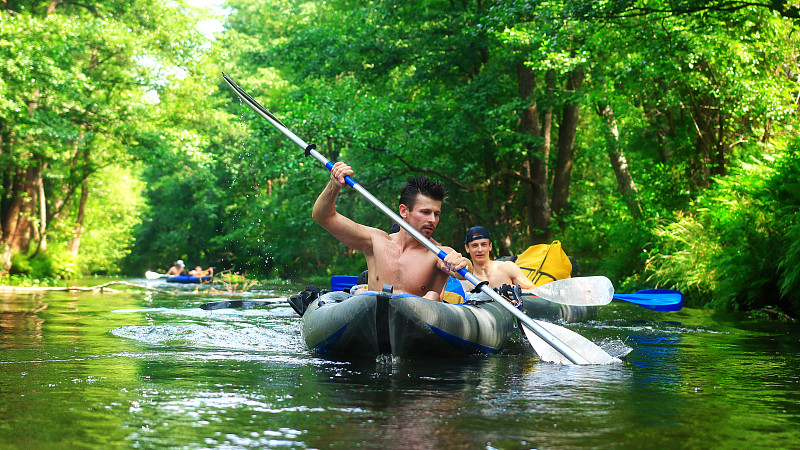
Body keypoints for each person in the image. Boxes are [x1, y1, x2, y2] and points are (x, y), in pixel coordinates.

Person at [312, 162, 470, 301]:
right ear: (404, 211)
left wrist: (463, 263)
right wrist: (334, 185)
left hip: (418, 326)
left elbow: (464, 271)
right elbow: (323, 217)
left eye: (436, 214)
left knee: (432, 297)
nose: (432, 220)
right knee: (360, 293)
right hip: (373, 319)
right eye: (425, 212)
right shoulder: (375, 241)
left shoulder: (438, 253)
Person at [461, 226, 534, 291]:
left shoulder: (508, 268)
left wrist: (515, 291)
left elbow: (534, 291)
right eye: (474, 245)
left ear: (490, 246)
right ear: (467, 248)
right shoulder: (465, 281)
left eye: (483, 244)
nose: (480, 250)